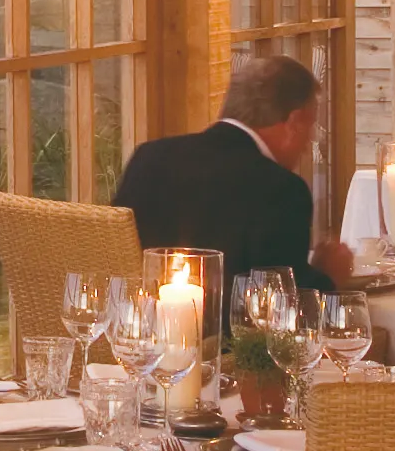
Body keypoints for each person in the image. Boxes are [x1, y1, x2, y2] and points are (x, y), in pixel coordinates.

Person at [115, 52, 356, 300]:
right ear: (294, 122)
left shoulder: (148, 158)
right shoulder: (282, 190)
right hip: (234, 326)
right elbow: (286, 302)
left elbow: (118, 264)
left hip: (142, 320)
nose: (308, 143)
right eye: (310, 126)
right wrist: (329, 276)